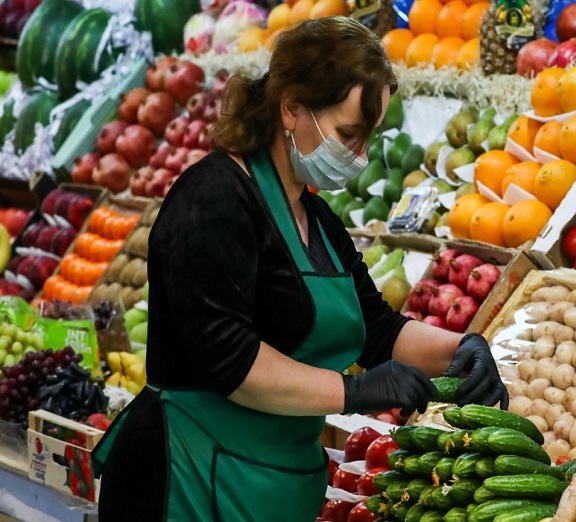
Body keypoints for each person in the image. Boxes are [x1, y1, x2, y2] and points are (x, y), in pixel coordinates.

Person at [92, 17, 508, 521]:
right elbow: (231, 360)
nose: (358, 156)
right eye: (348, 134)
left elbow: (377, 328)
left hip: (273, 483)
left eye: (367, 139)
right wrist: (355, 392)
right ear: (291, 106)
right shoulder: (213, 199)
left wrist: (460, 349)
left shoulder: (318, 220)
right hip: (187, 478)